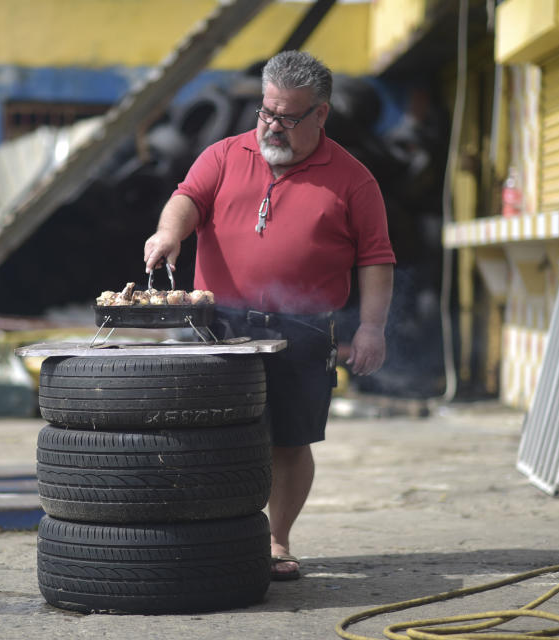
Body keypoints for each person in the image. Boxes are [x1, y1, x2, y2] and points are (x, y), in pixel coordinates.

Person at [143, 50, 395, 581]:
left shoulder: (354, 180)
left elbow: (376, 258)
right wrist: (170, 233)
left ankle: (277, 541)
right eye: (266, 112)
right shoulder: (223, 154)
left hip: (301, 329)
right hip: (216, 324)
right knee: (205, 434)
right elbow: (185, 198)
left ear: (321, 114)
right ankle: (205, 532)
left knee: (289, 440)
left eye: (287, 117)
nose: (272, 126)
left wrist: (371, 327)